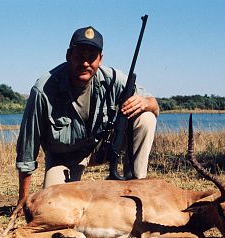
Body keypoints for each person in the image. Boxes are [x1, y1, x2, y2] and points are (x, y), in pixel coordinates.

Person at [16, 26, 159, 202]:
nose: (85, 63)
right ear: (69, 55)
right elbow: (27, 150)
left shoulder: (114, 78)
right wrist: (22, 200)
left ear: (100, 59)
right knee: (54, 203)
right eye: (79, 56)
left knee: (146, 118)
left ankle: (137, 188)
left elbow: (155, 105)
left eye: (91, 57)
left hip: (102, 147)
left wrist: (146, 103)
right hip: (64, 158)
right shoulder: (43, 89)